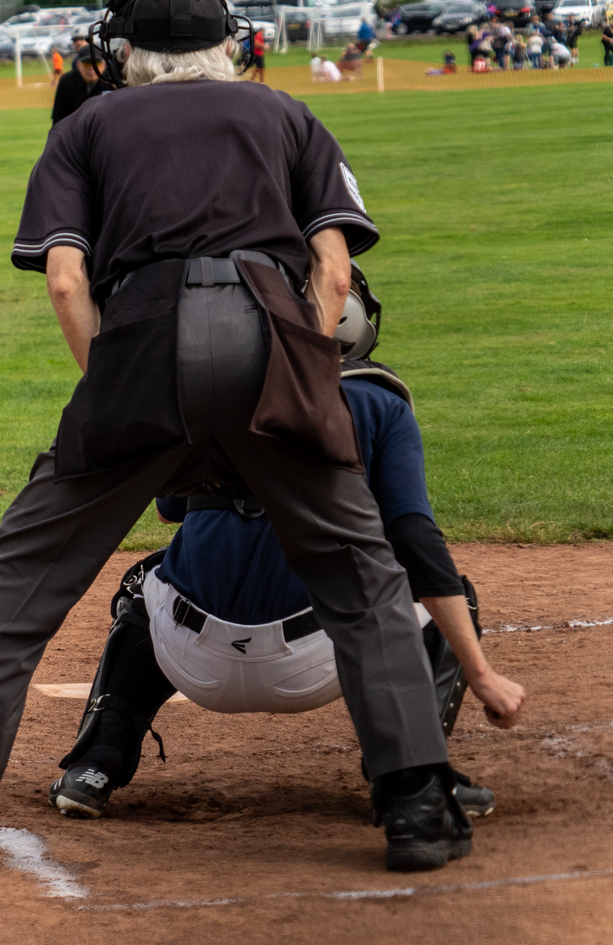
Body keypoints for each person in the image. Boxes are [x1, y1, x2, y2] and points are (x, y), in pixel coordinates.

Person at [0, 0, 469, 881]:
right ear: (229, 44)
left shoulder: (88, 125)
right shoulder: (287, 114)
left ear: (125, 49)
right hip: (274, 332)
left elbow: (67, 282)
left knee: (23, 575)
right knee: (359, 566)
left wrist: (119, 389)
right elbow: (335, 275)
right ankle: (416, 797)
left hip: (139, 337)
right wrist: (295, 378)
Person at [50, 269, 526, 824]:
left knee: (144, 583)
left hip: (191, 658)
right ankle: (410, 776)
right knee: (439, 589)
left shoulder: (212, 386)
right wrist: (482, 674)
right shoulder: (380, 403)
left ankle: (96, 765)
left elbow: (169, 509)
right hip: (318, 656)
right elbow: (416, 543)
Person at [51, 47, 105, 123]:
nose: (91, 67)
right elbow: (58, 118)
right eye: (86, 63)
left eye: (96, 63)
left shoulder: (111, 83)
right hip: (74, 128)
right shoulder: (67, 82)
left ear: (103, 65)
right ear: (79, 65)